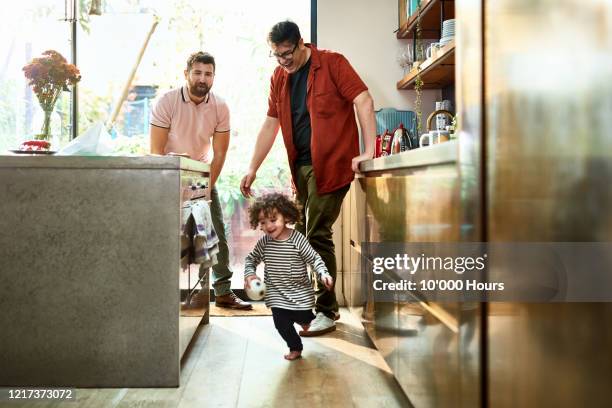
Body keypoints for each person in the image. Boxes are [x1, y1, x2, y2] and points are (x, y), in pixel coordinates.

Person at [240, 21, 376, 335]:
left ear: (302, 43)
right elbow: (270, 124)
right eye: (277, 56)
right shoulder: (279, 77)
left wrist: (369, 150)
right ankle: (306, 305)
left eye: (287, 53)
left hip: (331, 164)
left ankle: (327, 310)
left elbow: (364, 101)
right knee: (298, 236)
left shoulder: (332, 63)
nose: (283, 61)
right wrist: (252, 167)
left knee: (316, 234)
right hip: (300, 167)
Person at [151, 51, 252, 310]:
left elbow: (220, 154)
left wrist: (206, 188)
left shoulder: (220, 106)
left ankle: (222, 292)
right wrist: (172, 181)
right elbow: (155, 152)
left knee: (215, 233)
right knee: (168, 236)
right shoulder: (166, 101)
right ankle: (160, 292)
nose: (202, 78)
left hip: (201, 176)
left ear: (213, 77)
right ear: (186, 74)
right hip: (169, 174)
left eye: (208, 74)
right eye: (197, 72)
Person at [243, 193, 333, 360]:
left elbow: (314, 258)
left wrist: (323, 273)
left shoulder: (297, 239)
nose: (269, 226)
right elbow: (251, 259)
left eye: (273, 219)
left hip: (300, 294)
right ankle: (295, 347)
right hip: (277, 295)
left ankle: (307, 320)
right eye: (263, 222)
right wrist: (250, 274)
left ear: (285, 217)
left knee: (304, 319)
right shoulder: (264, 243)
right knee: (281, 324)